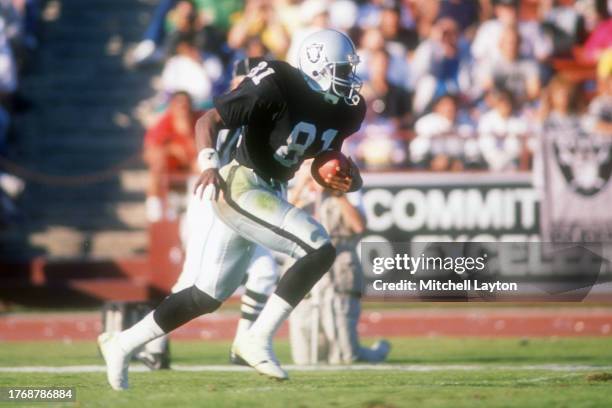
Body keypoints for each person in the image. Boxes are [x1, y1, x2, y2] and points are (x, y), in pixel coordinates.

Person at [99, 29, 366, 389]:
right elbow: (207, 121)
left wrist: (348, 177)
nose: (348, 78)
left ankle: (122, 343)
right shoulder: (278, 81)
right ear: (315, 63)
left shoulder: (348, 111)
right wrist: (208, 162)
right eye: (341, 68)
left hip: (272, 189)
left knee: (205, 296)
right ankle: (256, 338)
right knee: (319, 248)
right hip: (240, 182)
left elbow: (321, 159)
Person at [288, 169, 390, 365]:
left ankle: (377, 353)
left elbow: (358, 226)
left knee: (344, 353)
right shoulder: (296, 187)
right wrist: (301, 186)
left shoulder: (347, 187)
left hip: (338, 266)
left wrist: (336, 194)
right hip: (303, 266)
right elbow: (280, 222)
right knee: (305, 357)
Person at [143, 91, 199, 222]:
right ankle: (154, 207)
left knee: (202, 163)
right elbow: (149, 152)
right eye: (179, 104)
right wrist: (171, 150)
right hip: (172, 165)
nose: (183, 108)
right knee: (157, 160)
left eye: (186, 105)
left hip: (195, 164)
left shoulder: (200, 119)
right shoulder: (163, 124)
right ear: (172, 107)